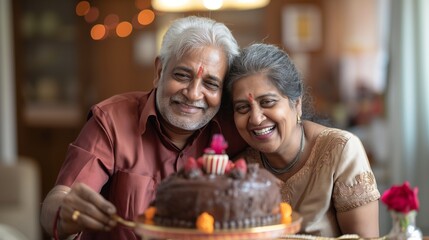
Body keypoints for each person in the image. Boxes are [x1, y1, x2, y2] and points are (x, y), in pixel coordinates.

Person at [40, 16, 246, 240]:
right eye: (182, 75)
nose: (193, 94)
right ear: (159, 72)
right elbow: (60, 199)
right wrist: (63, 212)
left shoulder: (234, 128)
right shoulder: (112, 121)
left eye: (210, 83)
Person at [225, 43, 380, 238]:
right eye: (242, 108)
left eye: (268, 102)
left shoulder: (340, 151)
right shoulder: (240, 169)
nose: (255, 118)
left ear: (296, 104)